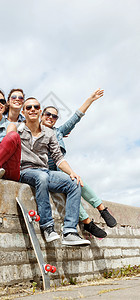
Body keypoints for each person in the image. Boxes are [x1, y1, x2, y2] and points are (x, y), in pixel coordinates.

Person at [41, 89, 117, 238]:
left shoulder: (58, 132)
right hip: (47, 173)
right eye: (47, 114)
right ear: (41, 116)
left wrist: (90, 99)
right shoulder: (34, 132)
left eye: (54, 116)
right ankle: (88, 222)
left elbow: (76, 117)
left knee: (77, 181)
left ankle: (102, 210)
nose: (51, 117)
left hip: (61, 169)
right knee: (73, 185)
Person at [18, 97, 91, 246]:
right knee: (42, 178)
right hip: (25, 171)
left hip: (44, 171)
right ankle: (47, 227)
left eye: (36, 107)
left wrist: (72, 172)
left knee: (73, 183)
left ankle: (70, 232)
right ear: (23, 111)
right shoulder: (17, 129)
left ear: (40, 111)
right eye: (28, 107)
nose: (32, 109)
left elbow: (58, 157)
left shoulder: (49, 133)